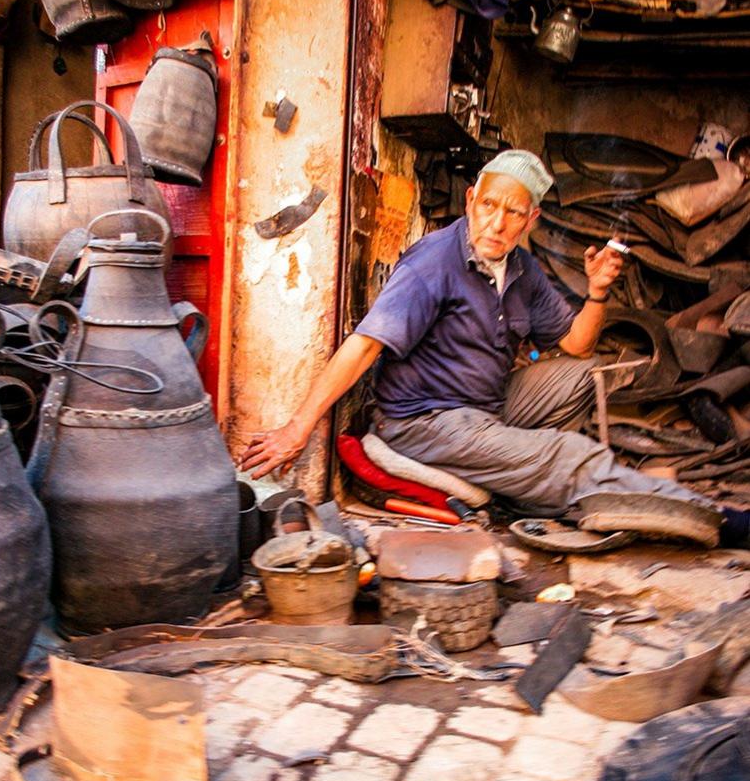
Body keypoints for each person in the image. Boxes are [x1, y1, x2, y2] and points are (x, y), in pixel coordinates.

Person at [239, 148, 738, 531]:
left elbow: (578, 344)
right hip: (423, 421)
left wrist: (599, 291)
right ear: (471, 199)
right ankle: (706, 514)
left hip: (487, 408)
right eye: (490, 206)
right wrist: (297, 429)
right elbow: (366, 344)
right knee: (563, 454)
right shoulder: (433, 263)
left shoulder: (521, 267)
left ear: (531, 220)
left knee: (582, 377)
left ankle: (523, 481)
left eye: (514, 213)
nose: (497, 224)